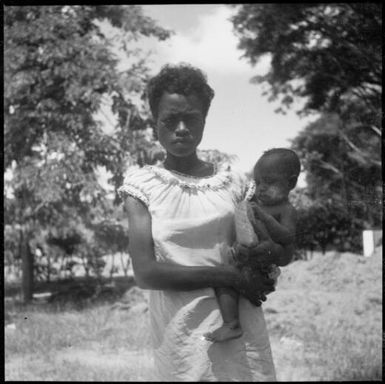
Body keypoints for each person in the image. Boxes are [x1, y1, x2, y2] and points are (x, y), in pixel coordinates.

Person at [118, 63, 289, 381]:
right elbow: (146, 272)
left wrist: (265, 269)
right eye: (170, 120)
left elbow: (256, 242)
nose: (181, 128)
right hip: (183, 331)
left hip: (240, 323)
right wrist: (227, 275)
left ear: (205, 120)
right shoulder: (142, 185)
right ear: (155, 122)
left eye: (192, 118)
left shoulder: (234, 183)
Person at [205, 148, 299, 342]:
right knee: (223, 278)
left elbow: (288, 236)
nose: (261, 187)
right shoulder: (255, 201)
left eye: (269, 181)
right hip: (249, 259)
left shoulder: (286, 209)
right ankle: (231, 323)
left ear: (291, 183)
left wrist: (265, 218)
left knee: (234, 270)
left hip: (266, 265)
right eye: (257, 182)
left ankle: (232, 323)